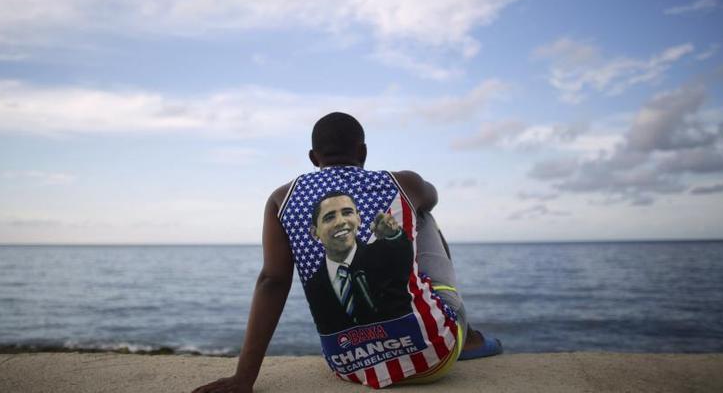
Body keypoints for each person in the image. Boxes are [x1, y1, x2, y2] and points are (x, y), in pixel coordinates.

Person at [194, 112, 500, 392]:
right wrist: (412, 197)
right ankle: (468, 336)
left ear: (313, 158)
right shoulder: (402, 182)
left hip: (351, 368)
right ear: (363, 152)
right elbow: (431, 198)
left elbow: (272, 281)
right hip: (436, 357)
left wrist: (243, 379)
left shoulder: (280, 199)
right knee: (421, 214)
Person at [304, 191, 413, 334]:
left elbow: (401, 252)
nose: (341, 221)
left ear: (359, 219)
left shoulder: (383, 253)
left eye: (347, 213)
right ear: (314, 232)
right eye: (329, 217)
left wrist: (394, 235)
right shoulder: (313, 285)